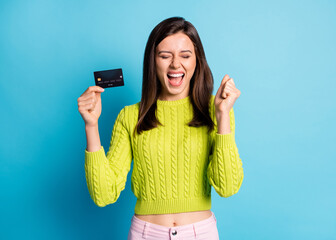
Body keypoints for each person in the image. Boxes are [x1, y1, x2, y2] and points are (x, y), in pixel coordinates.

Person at [77, 16, 244, 240]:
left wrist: (222, 115)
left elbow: (228, 186)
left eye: (185, 55)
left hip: (200, 233)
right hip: (146, 233)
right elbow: (103, 195)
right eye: (165, 56)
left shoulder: (217, 110)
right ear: (152, 61)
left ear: (197, 61)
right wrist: (91, 125)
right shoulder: (129, 116)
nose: (176, 64)